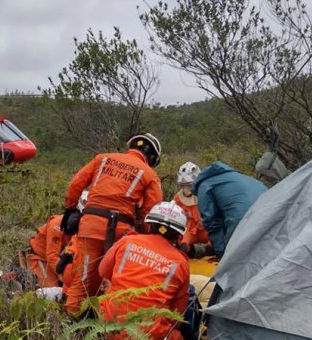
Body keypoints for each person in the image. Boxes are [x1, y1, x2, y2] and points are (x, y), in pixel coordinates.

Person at [62, 133, 164, 315]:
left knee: (82, 281)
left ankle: (70, 325)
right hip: (121, 235)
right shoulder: (149, 174)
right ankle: (106, 327)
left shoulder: (102, 159)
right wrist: (147, 234)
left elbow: (75, 184)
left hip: (90, 228)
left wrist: (70, 208)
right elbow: (152, 211)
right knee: (114, 283)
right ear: (152, 157)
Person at [98, 201, 190, 340]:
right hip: (149, 333)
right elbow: (177, 315)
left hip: (109, 324)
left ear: (149, 224)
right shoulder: (181, 263)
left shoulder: (127, 242)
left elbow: (103, 271)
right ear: (179, 236)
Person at [192, 161, 267, 259]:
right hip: (269, 215)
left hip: (241, 220)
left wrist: (221, 254)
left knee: (235, 260)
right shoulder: (241, 178)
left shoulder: (204, 186)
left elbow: (212, 223)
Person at [27, 191, 88, 289]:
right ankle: (19, 275)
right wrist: (63, 276)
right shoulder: (57, 225)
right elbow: (51, 256)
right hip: (41, 258)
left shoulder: (83, 227)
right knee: (51, 291)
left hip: (61, 258)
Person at [173, 161, 211, 258]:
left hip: (206, 230)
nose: (186, 189)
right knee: (182, 244)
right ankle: (189, 254)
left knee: (217, 239)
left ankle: (208, 251)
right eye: (183, 185)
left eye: (189, 185)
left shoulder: (207, 195)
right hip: (189, 231)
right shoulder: (178, 199)